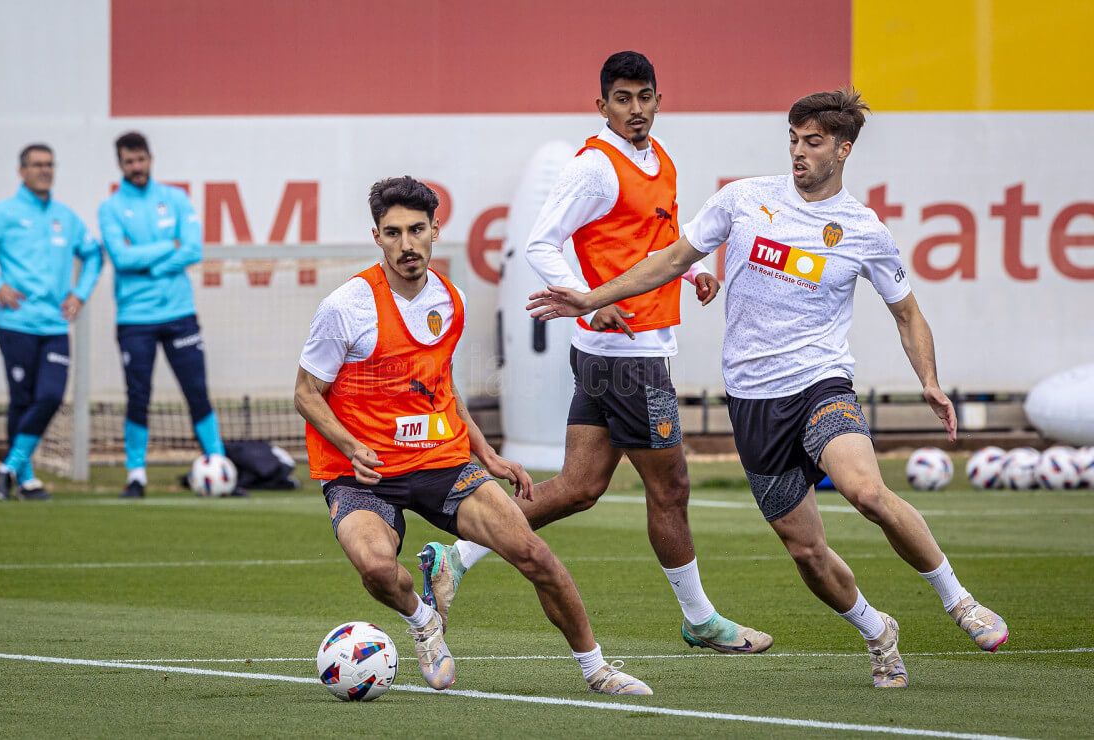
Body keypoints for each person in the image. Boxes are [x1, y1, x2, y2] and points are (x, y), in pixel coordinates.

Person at [525, 88, 1009, 688]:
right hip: (753, 404)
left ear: (843, 149)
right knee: (806, 551)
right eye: (794, 140)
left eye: (813, 142)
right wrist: (592, 299)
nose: (799, 152)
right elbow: (673, 258)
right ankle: (877, 631)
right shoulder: (744, 200)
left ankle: (959, 600)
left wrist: (929, 383)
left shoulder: (864, 230)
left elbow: (907, 313)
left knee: (864, 489)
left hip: (821, 384)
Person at [418, 51, 772, 656]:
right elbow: (540, 242)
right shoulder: (595, 167)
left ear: (659, 99)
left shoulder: (657, 159)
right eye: (623, 99)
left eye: (644, 97)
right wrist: (586, 303)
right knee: (672, 488)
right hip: (624, 354)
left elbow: (655, 241)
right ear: (601, 105)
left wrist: (693, 275)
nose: (635, 109)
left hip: (622, 350)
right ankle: (700, 618)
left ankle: (453, 557)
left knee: (580, 486)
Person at [295, 176, 651, 695]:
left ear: (435, 230)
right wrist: (352, 446)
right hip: (361, 473)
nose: (407, 244)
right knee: (376, 569)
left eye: (417, 230)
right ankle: (423, 622)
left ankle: (596, 669)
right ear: (377, 238)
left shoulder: (450, 299)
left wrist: (487, 452)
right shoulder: (346, 307)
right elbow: (306, 393)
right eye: (392, 233)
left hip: (439, 460)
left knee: (534, 554)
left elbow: (440, 386)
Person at [0, 144, 102, 501]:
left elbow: (93, 254)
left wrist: (80, 293)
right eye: (36, 165)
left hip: (55, 325)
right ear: (21, 171)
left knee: (49, 396)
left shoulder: (65, 217)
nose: (44, 170)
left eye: (49, 164)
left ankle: (7, 468)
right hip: (17, 324)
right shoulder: (5, 213)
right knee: (22, 400)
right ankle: (26, 480)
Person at [99, 131, 225, 498]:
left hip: (179, 312)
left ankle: (216, 464)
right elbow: (120, 259)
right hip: (134, 317)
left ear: (150, 159)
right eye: (129, 162)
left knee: (197, 391)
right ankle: (136, 475)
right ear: (120, 164)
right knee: (138, 395)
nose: (136, 167)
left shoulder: (175, 198)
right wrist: (165, 250)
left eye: (140, 160)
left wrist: (147, 261)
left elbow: (192, 250)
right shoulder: (110, 208)